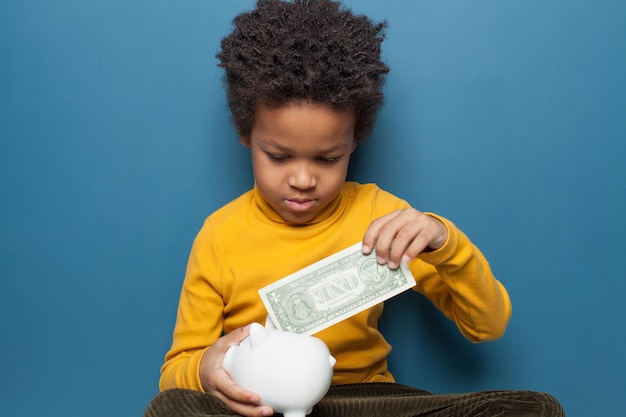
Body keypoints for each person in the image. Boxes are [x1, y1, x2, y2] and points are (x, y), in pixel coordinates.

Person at [144, 1, 565, 416]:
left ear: (353, 143)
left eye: (327, 159)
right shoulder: (220, 236)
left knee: (534, 409)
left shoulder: (381, 216)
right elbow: (174, 371)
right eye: (278, 156)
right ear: (245, 134)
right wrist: (206, 367)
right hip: (262, 404)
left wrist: (444, 242)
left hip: (365, 400)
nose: (304, 179)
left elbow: (487, 326)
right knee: (170, 407)